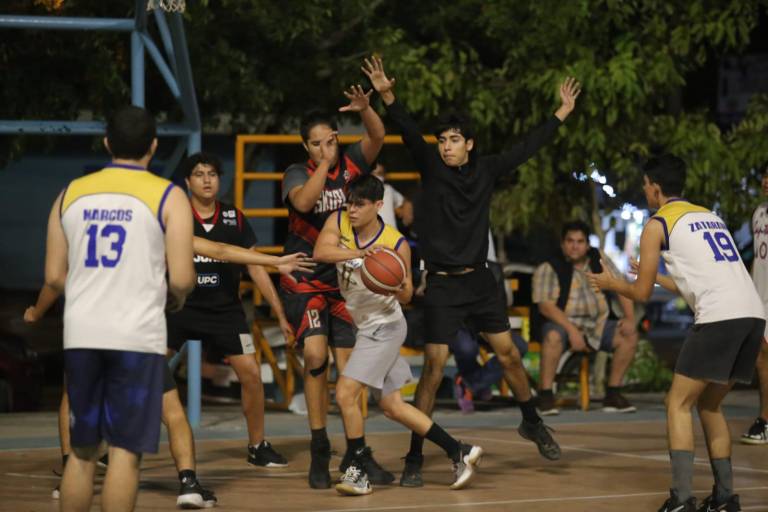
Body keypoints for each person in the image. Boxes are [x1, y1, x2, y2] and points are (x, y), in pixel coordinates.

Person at [363, 55, 579, 486]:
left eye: (454, 139)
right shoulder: (431, 166)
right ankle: (414, 456)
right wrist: (387, 94)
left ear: (470, 144)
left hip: (481, 280)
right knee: (434, 366)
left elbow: (527, 147)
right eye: (442, 139)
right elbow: (405, 128)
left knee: (510, 355)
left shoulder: (487, 169)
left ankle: (531, 420)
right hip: (442, 283)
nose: (446, 145)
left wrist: (561, 113)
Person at [25, 239, 311, 508]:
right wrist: (276, 262)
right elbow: (218, 252)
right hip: (134, 338)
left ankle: (67, 475)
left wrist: (36, 313)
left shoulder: (85, 225)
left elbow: (54, 280)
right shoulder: (154, 227)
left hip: (90, 334)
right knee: (172, 416)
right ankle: (189, 484)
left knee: (73, 400)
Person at [588, 154, 765, 512]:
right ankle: (725, 498)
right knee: (710, 404)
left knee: (676, 404)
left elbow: (639, 294)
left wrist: (612, 283)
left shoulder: (657, 224)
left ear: (654, 187)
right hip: (752, 316)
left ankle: (682, 499)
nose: (644, 191)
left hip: (719, 318)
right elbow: (694, 283)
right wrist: (650, 276)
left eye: (644, 186)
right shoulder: (708, 216)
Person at [45, 105, 196, 512]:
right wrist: (176, 296)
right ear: (153, 145)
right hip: (135, 337)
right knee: (126, 452)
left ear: (107, 142)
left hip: (82, 334)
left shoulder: (70, 193)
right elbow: (181, 278)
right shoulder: (169, 194)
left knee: (82, 452)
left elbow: (55, 277)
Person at [313, 174, 483, 495]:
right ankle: (457, 450)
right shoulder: (340, 222)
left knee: (346, 394)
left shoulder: (396, 243)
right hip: (364, 325)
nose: (352, 210)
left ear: (378, 206)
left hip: (385, 327)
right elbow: (321, 252)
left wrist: (396, 282)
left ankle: (358, 471)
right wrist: (362, 256)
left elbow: (406, 297)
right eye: (349, 203)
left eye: (360, 205)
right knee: (392, 406)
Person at [166, 152, 306, 469]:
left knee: (252, 375)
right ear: (187, 182)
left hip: (224, 313)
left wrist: (280, 313)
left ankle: (258, 445)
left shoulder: (234, 217)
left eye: (212, 173)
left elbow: (255, 268)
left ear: (219, 180)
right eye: (199, 174)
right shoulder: (176, 217)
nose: (206, 179)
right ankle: (118, 443)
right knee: (146, 373)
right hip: (179, 308)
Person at [280, 85, 386, 488]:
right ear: (307, 147)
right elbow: (304, 204)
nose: (327, 148)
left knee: (350, 371)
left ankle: (357, 453)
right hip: (306, 275)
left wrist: (367, 109)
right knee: (314, 354)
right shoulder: (296, 173)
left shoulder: (355, 162)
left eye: (331, 141)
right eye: (317, 144)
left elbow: (377, 137)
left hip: (343, 280)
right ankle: (319, 446)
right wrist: (323, 166)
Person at [532, 220, 638, 415]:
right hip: (563, 324)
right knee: (553, 337)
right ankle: (545, 395)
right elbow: (545, 306)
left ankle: (613, 394)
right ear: (563, 243)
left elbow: (621, 285)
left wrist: (629, 317)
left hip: (598, 323)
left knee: (628, 335)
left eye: (580, 241)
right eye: (570, 241)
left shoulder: (598, 260)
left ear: (587, 244)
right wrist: (572, 331)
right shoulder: (549, 266)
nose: (575, 246)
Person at [741, 164, 768, 445]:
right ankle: (765, 419)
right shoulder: (759, 213)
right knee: (761, 358)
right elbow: (758, 260)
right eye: (765, 175)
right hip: (761, 298)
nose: (767, 181)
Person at [371, 161, 413, 228]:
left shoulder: (388, 189)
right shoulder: (363, 192)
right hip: (373, 234)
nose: (377, 177)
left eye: (380, 174)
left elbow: (405, 201)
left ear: (384, 175)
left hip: (392, 234)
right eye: (374, 173)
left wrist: (406, 214)